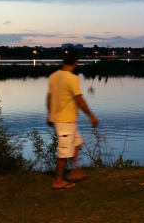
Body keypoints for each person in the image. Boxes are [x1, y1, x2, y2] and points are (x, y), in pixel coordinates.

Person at [47, 50, 99, 190]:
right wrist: (91, 116)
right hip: (65, 121)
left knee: (76, 143)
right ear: (76, 62)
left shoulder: (53, 76)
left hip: (66, 119)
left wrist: (50, 114)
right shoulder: (72, 78)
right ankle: (58, 181)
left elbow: (49, 97)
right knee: (64, 151)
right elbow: (79, 99)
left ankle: (74, 171)